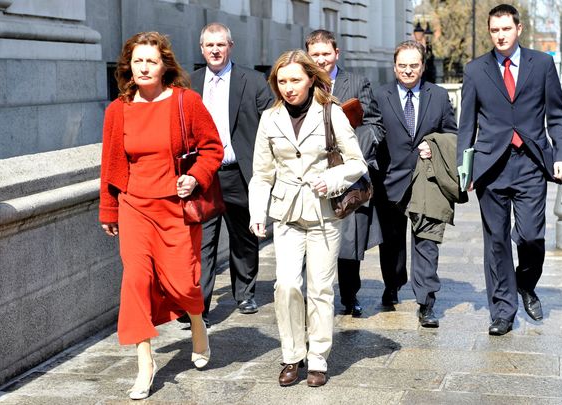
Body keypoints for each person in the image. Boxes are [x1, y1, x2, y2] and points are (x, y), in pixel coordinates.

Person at [99, 31, 223, 400]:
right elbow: (110, 165)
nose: (144, 67)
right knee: (135, 281)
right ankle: (144, 363)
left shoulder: (187, 101)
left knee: (183, 283)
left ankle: (197, 321)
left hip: (175, 208)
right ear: (128, 66)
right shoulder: (117, 109)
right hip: (134, 206)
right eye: (137, 61)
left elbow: (212, 149)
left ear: (164, 65)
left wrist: (195, 177)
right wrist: (109, 208)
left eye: (151, 60)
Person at [248, 50, 367, 387]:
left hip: (324, 212)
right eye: (282, 81)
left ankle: (317, 359)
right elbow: (261, 174)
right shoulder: (270, 119)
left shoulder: (331, 113)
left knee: (320, 289)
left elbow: (357, 163)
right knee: (286, 285)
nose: (288, 87)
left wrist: (331, 180)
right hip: (286, 213)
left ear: (311, 78)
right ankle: (291, 355)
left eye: (295, 80)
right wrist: (258, 212)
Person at [457, 4, 562, 336]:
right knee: (496, 242)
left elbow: (558, 116)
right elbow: (467, 126)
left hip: (531, 163)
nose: (500, 35)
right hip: (490, 166)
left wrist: (560, 154)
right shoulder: (476, 70)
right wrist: (465, 172)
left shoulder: (542, 64)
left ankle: (526, 282)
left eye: (506, 29)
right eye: (495, 30)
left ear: (518, 29)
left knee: (532, 236)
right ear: (490, 32)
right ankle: (503, 312)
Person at [189, 22, 273, 325]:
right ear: (202, 49)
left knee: (244, 237)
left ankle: (245, 293)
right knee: (203, 242)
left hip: (240, 172)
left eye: (220, 44)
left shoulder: (252, 81)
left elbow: (271, 125)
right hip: (203, 176)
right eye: (209, 45)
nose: (215, 50)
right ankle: (199, 307)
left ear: (230, 46)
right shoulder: (189, 83)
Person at [375, 40, 458, 327]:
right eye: (402, 65)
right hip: (390, 179)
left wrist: (433, 145)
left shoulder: (438, 96)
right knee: (392, 242)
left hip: (427, 180)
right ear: (394, 66)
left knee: (427, 241)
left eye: (414, 65)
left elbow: (452, 134)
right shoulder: (379, 95)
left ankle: (426, 302)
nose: (408, 70)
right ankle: (393, 284)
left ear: (423, 66)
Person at [305, 29, 385, 318]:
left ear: (337, 54)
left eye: (326, 54)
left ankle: (350, 295)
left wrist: (356, 152)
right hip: (314, 172)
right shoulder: (302, 83)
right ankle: (317, 295)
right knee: (315, 237)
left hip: (349, 171)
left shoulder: (357, 82)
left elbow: (375, 125)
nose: (321, 59)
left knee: (348, 240)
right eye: (315, 55)